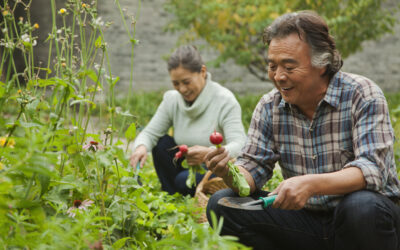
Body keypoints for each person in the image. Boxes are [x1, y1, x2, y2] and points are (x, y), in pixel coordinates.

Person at [205, 11, 400, 250]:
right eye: (272, 66)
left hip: (366, 220)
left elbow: (372, 170)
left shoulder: (362, 94)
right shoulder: (269, 106)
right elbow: (252, 170)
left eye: (289, 66)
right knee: (222, 204)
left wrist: (310, 184)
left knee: (360, 206)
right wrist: (229, 172)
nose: (278, 76)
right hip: (307, 222)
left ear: (322, 64)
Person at [129, 45, 246, 196]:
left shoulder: (225, 100)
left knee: (182, 180)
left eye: (186, 82)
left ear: (202, 72)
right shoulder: (172, 100)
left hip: (214, 169)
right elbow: (150, 133)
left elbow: (240, 145)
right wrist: (141, 147)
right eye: (176, 83)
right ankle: (172, 196)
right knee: (161, 143)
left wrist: (209, 154)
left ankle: (182, 193)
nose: (182, 89)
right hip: (185, 166)